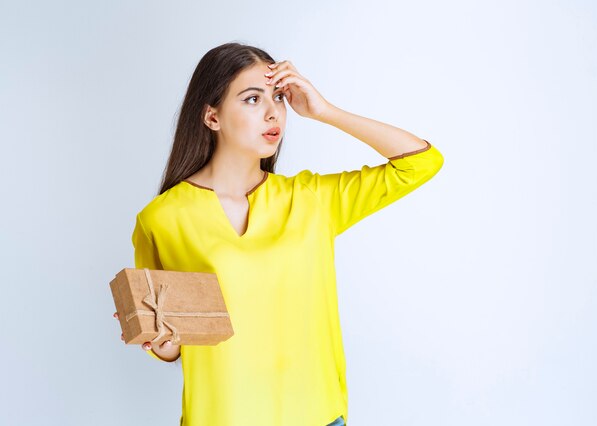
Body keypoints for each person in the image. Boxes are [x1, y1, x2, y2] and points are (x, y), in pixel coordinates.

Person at [113, 42, 444, 426]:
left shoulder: (312, 200)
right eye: (252, 99)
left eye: (279, 97)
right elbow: (170, 345)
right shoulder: (162, 218)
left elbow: (421, 162)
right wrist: (163, 343)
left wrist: (325, 111)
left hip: (316, 415)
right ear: (212, 117)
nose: (273, 113)